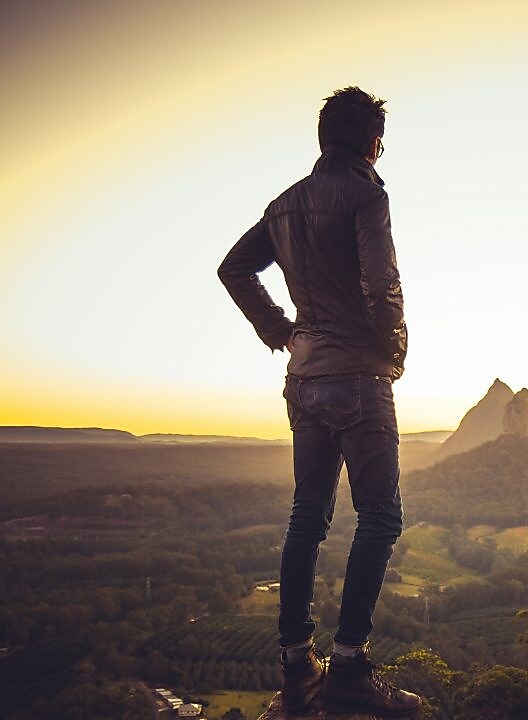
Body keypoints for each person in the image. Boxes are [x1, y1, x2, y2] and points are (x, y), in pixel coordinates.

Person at [218, 86, 419, 717]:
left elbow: (233, 268)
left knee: (308, 518)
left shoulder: (285, 204)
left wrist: (280, 330)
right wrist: (394, 350)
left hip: (302, 383)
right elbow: (381, 280)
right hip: (357, 377)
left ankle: (297, 668)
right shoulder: (367, 193)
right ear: (371, 143)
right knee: (380, 518)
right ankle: (350, 668)